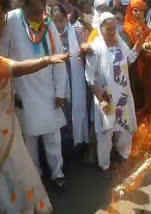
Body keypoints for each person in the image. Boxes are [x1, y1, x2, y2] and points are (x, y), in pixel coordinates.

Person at [0, 12, 70, 214]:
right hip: (0, 134)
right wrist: (49, 59)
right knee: (16, 170)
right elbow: (18, 69)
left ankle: (1, 205)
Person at [0, 0, 68, 187]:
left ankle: (57, 173)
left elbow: (59, 58)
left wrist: (60, 91)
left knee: (53, 136)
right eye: (36, 11)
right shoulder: (10, 21)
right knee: (29, 138)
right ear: (24, 7)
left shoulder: (48, 23)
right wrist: (12, 92)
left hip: (48, 89)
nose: (41, 15)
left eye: (43, 10)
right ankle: (35, 175)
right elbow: (2, 60)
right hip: (23, 90)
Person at [85, 12, 142, 178]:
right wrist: (100, 99)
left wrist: (139, 42)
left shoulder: (119, 43)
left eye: (114, 28)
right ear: (101, 29)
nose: (111, 32)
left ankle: (124, 157)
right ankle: (104, 165)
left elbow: (130, 58)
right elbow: (90, 77)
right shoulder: (95, 48)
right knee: (105, 132)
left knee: (125, 129)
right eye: (108, 29)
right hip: (106, 97)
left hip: (123, 95)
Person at [52, 5, 89, 158]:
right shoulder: (48, 35)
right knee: (62, 111)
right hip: (58, 79)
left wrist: (83, 50)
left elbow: (85, 48)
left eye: (61, 20)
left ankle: (79, 143)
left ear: (66, 19)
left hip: (75, 77)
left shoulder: (76, 32)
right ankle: (64, 147)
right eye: (56, 21)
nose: (59, 24)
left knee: (77, 107)